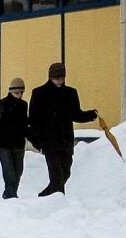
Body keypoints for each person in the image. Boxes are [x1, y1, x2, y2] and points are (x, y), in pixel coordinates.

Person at [28, 62, 97, 196]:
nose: (59, 81)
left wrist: (90, 115)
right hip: (49, 142)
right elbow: (33, 120)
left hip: (66, 141)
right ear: (50, 77)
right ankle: (58, 205)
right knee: (57, 177)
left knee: (65, 173)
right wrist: (37, 142)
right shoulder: (39, 93)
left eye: (61, 78)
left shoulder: (70, 93)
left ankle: (45, 196)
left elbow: (76, 114)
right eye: (56, 78)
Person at [0, 77, 29, 199]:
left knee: (18, 171)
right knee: (9, 171)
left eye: (21, 93)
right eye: (17, 93)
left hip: (18, 143)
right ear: (11, 91)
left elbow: (24, 126)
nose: (19, 95)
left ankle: (10, 194)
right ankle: (11, 196)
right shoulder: (0, 104)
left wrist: (37, 141)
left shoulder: (23, 105)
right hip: (3, 144)